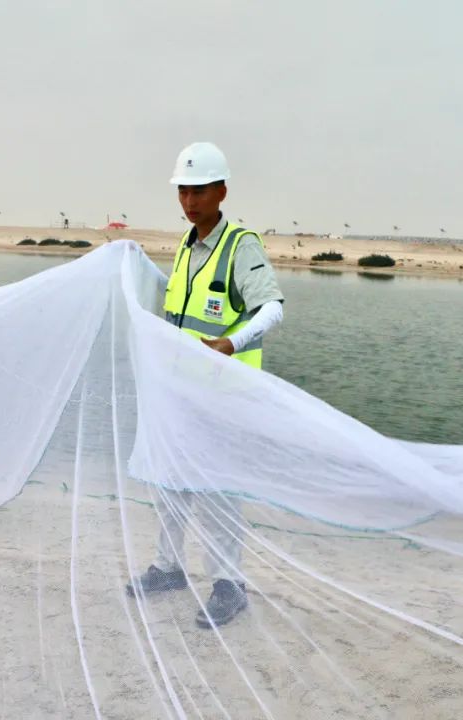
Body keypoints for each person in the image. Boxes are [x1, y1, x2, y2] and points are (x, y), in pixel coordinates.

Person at [126, 141, 285, 629]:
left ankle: (228, 583)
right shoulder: (187, 244)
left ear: (221, 190)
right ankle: (168, 568)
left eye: (199, 190)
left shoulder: (240, 246)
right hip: (180, 394)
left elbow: (273, 308)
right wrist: (131, 265)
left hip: (225, 396)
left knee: (218, 489)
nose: (190, 201)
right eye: (183, 191)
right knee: (172, 481)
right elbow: (177, 302)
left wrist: (231, 344)